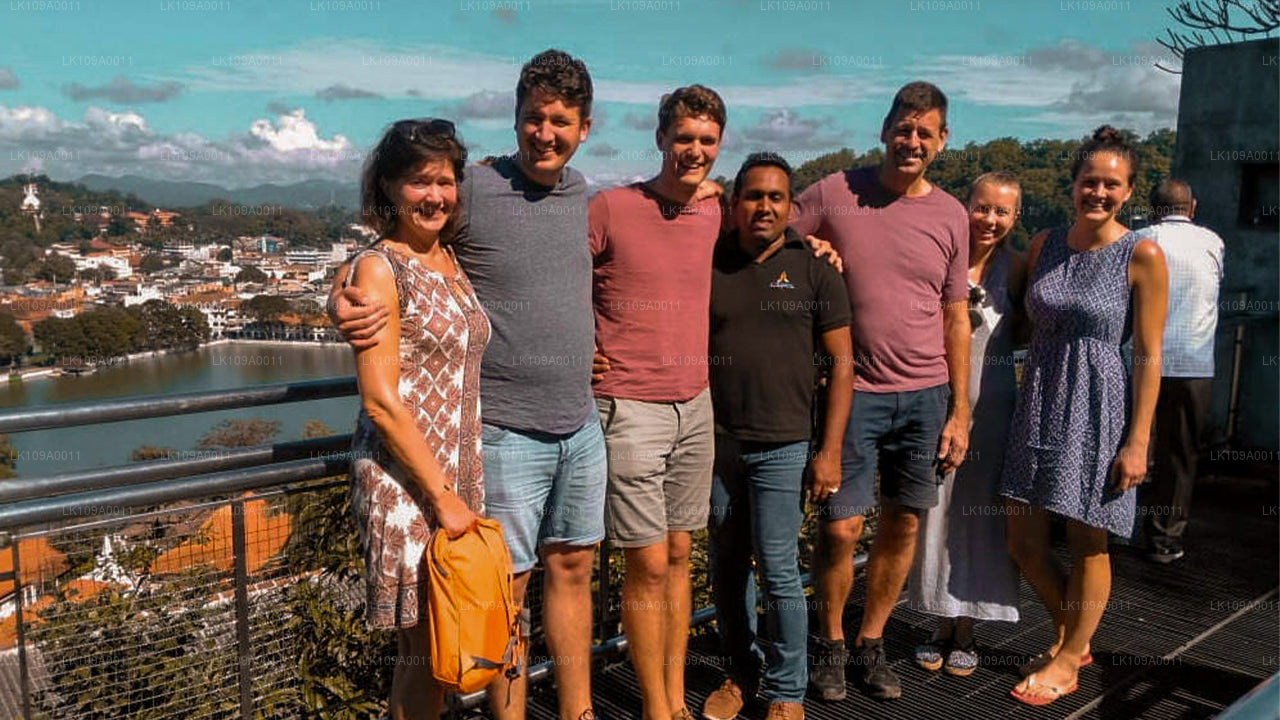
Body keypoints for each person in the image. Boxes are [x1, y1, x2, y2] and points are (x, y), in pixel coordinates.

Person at [331, 50, 607, 720]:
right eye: (534, 117)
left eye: (560, 121)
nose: (545, 132)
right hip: (480, 449)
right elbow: (377, 262)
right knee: (479, 615)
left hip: (558, 434)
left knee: (564, 578)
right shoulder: (474, 190)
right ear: (514, 118)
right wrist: (338, 295)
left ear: (585, 127)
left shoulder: (586, 197)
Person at [789, 80, 971, 702]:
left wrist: (960, 413)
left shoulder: (951, 215)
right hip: (853, 392)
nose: (911, 141)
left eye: (925, 132)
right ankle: (830, 642)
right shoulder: (834, 192)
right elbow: (768, 233)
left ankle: (871, 641)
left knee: (903, 525)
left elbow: (956, 316)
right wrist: (807, 244)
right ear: (884, 130)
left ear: (942, 140)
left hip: (926, 395)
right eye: (903, 128)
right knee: (841, 529)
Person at [1001, 125, 1168, 706]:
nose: (1098, 192)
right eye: (1089, 181)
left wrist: (1138, 441)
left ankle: (1070, 657)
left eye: (1111, 184)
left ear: (1129, 191)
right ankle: (1072, 632)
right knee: (1023, 539)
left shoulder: (1142, 254)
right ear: (1072, 184)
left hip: (1098, 405)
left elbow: (1148, 354)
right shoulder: (1044, 244)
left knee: (1088, 538)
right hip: (1038, 397)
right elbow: (1016, 318)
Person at [700, 153, 854, 720]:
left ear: (791, 206)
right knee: (727, 566)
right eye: (753, 195)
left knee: (780, 570)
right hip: (716, 443)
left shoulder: (815, 267)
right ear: (734, 203)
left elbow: (843, 365)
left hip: (785, 444)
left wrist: (829, 452)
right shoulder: (709, 260)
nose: (763, 206)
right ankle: (740, 672)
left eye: (775, 197)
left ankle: (788, 689)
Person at [588, 85, 726, 720]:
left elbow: (783, 227)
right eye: (684, 137)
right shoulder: (611, 207)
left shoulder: (715, 209)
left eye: (707, 140)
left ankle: (672, 699)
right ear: (660, 138)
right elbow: (555, 278)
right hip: (628, 405)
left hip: (696, 404)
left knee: (677, 556)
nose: (694, 150)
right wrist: (577, 348)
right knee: (644, 563)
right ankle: (655, 708)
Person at [345, 118, 489, 720]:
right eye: (418, 182)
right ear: (387, 187)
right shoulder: (380, 268)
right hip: (408, 485)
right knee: (423, 652)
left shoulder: (449, 258)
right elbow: (381, 401)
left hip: (455, 476)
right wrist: (442, 497)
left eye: (445, 181)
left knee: (445, 644)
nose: (435, 195)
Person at [909, 172, 1025, 678]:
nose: (990, 219)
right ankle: (939, 620)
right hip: (939, 402)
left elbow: (1027, 330)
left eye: (1002, 211)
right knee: (936, 513)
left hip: (994, 408)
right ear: (966, 206)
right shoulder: (942, 258)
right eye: (982, 207)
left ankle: (968, 628)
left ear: (1015, 217)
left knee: (981, 518)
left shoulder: (1017, 270)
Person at [1136, 179, 1223, 564]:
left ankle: (1110, 525)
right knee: (1179, 454)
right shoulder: (1213, 242)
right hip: (1193, 363)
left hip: (1140, 361)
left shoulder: (1138, 240)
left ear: (1152, 209)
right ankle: (1164, 540)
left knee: (1127, 442)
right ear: (1192, 207)